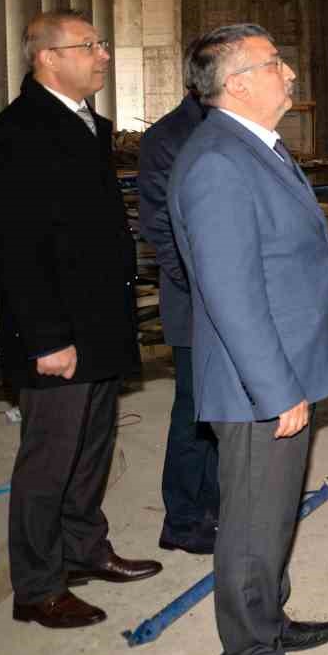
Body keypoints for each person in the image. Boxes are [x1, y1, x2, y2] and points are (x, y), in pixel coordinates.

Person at [169, 24, 328, 655]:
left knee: (273, 514)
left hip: (282, 367)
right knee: (250, 525)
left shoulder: (253, 147)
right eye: (276, 63)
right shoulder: (220, 163)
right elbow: (232, 295)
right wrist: (277, 391)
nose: (291, 73)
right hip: (258, 386)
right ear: (238, 83)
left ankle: (267, 621)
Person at [0, 10, 161, 630]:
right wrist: (49, 340)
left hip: (100, 321)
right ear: (47, 58)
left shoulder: (85, 124)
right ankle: (37, 584)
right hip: (58, 332)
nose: (103, 55)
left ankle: (84, 547)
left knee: (91, 447)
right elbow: (19, 250)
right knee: (49, 459)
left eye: (102, 44)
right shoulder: (17, 133)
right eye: (89, 46)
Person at [138, 50, 218, 555]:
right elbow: (163, 232)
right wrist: (212, 290)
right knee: (193, 413)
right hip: (196, 304)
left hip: (230, 304)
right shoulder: (168, 137)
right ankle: (183, 520)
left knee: (224, 413)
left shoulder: (230, 127)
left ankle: (215, 505)